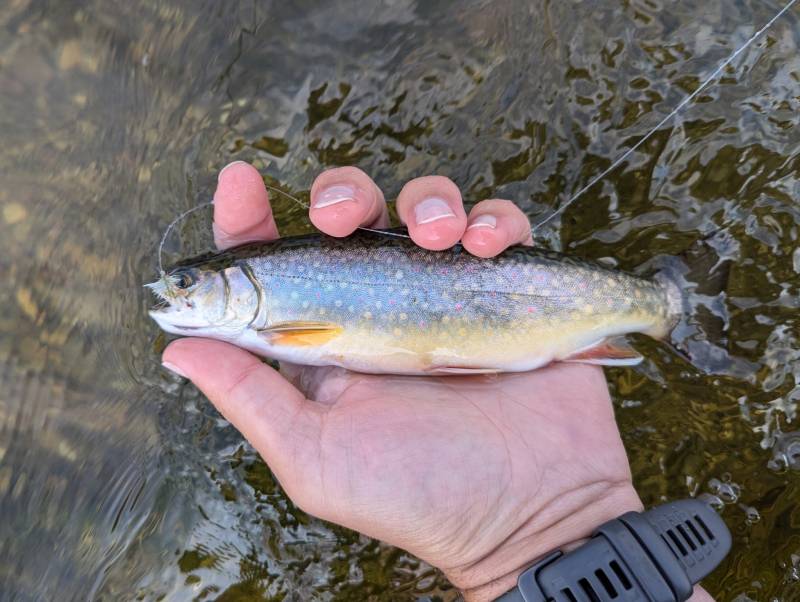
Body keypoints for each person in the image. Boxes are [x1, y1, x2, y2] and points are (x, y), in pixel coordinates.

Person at [161, 162, 714, 601]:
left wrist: (545, 541)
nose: (175, 294)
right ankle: (662, 304)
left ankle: (660, 305)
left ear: (235, 284)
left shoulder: (277, 323)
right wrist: (519, 548)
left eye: (187, 284)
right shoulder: (266, 318)